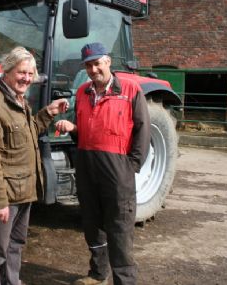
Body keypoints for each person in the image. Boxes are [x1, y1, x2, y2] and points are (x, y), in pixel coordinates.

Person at [55, 42, 151, 285]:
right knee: (92, 223)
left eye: (97, 63)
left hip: (117, 168)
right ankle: (98, 274)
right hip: (87, 165)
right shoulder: (83, 92)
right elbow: (87, 130)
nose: (93, 69)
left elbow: (143, 130)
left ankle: (124, 281)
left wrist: (132, 166)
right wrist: (73, 128)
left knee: (120, 227)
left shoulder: (130, 90)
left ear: (108, 62)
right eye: (88, 65)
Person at [0, 46, 69, 285]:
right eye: (21, 72)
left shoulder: (19, 101)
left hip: (24, 191)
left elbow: (27, 133)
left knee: (15, 245)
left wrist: (48, 113)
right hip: (7, 195)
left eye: (30, 74)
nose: (26, 78)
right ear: (7, 71)